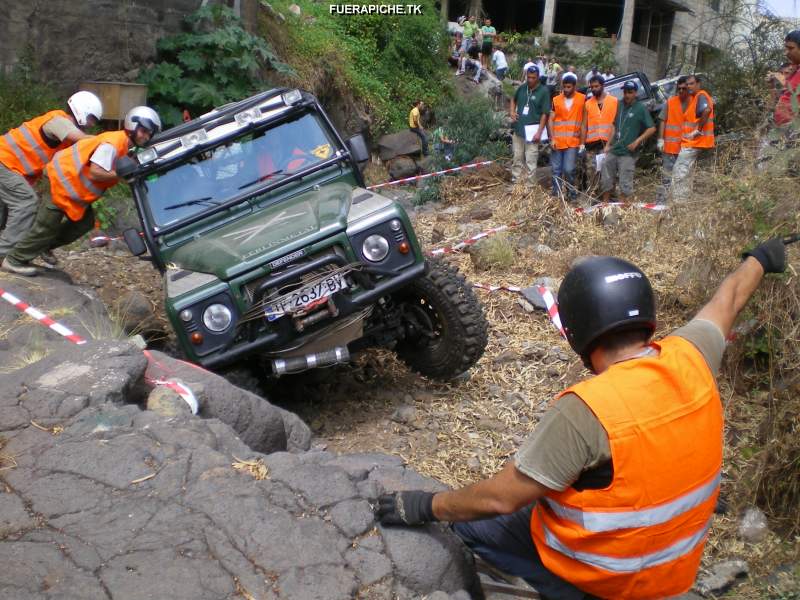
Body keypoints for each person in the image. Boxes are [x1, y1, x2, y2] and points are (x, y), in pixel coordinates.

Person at [377, 237, 789, 600]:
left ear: (575, 333)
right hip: (674, 569)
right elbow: (730, 299)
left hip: (608, 579)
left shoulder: (586, 409)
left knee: (472, 526)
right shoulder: (693, 356)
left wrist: (426, 504)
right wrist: (759, 258)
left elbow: (501, 497)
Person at [2, 106, 161, 276]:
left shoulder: (123, 145)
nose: (145, 136)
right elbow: (96, 171)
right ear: (132, 126)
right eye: (143, 131)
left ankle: (42, 247)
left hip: (72, 190)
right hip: (61, 183)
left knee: (84, 222)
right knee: (45, 227)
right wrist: (120, 175)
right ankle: (14, 260)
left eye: (149, 134)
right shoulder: (113, 143)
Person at [0, 91, 102, 264]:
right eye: (92, 118)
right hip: (4, 162)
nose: (92, 124)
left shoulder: (65, 136)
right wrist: (107, 141)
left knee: (7, 211)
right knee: (26, 203)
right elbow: (81, 139)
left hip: (9, 166)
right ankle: (4, 254)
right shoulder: (59, 121)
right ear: (82, 111)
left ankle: (26, 249)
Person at [600, 80, 656, 203]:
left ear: (635, 93)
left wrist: (637, 141)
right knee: (606, 177)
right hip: (614, 149)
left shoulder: (640, 108)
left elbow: (652, 128)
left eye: (630, 92)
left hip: (628, 152)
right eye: (625, 92)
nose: (627, 95)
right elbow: (614, 126)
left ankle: (623, 209)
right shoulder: (619, 105)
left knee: (625, 182)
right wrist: (608, 144)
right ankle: (605, 204)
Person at [670, 74, 714, 201]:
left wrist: (697, 131)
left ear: (698, 83)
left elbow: (706, 110)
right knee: (686, 174)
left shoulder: (701, 95)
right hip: (693, 143)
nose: (689, 86)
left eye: (691, 83)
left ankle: (679, 203)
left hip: (693, 143)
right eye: (687, 84)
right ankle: (684, 202)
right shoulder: (696, 97)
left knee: (680, 174)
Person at [509, 67, 550, 184]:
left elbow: (545, 114)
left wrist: (539, 132)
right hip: (518, 130)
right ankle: (516, 183)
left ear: (538, 77)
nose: (530, 80)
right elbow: (513, 99)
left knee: (531, 159)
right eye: (528, 77)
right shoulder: (522, 87)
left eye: (533, 78)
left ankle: (529, 186)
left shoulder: (544, 91)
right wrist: (512, 111)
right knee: (517, 157)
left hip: (533, 132)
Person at [548, 73, 585, 201]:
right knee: (556, 169)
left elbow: (585, 119)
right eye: (564, 87)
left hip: (573, 142)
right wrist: (552, 138)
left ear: (574, 86)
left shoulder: (582, 99)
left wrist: (582, 142)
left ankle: (571, 193)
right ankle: (556, 194)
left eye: (569, 87)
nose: (566, 90)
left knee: (569, 169)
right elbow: (551, 120)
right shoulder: (556, 100)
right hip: (557, 141)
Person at [579, 75, 617, 195]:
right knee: (592, 172)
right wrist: (581, 143)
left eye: (597, 86)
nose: (594, 89)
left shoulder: (614, 101)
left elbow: (616, 124)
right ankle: (594, 198)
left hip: (608, 144)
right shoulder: (588, 104)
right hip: (591, 145)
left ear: (602, 86)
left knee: (608, 172)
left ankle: (609, 198)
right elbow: (584, 125)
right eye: (592, 87)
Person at [656, 76, 690, 203]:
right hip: (669, 148)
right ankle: (661, 203)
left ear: (688, 89)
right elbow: (662, 120)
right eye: (679, 89)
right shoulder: (670, 102)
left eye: (684, 89)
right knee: (666, 177)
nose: (681, 91)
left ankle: (679, 203)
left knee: (682, 178)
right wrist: (661, 140)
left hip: (685, 149)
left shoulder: (693, 102)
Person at [773, 30, 800, 127]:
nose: (786, 53)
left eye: (791, 48)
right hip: (784, 130)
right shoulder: (795, 70)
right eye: (786, 49)